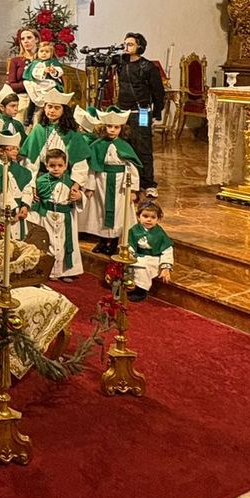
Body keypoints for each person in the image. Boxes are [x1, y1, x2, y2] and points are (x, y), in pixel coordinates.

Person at [84, 109, 143, 254]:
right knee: (100, 211)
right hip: (101, 182)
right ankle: (102, 242)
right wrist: (90, 186)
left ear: (121, 128)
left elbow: (131, 168)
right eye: (109, 126)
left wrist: (133, 189)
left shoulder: (124, 146)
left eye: (116, 127)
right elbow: (92, 167)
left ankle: (114, 242)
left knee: (118, 213)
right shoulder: (97, 145)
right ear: (104, 127)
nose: (112, 130)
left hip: (119, 184)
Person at [114, 32, 165, 195]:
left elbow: (158, 92)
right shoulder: (121, 64)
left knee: (143, 146)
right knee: (124, 144)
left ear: (140, 47)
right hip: (123, 111)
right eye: (125, 43)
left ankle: (149, 183)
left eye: (130, 44)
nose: (126, 47)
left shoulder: (148, 67)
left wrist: (157, 113)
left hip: (141, 111)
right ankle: (130, 180)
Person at [32, 147, 83, 280]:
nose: (56, 169)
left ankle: (64, 271)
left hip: (64, 218)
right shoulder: (41, 181)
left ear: (65, 166)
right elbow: (36, 197)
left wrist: (79, 197)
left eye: (60, 165)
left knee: (64, 243)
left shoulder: (71, 182)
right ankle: (49, 271)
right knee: (49, 243)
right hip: (47, 216)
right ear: (46, 166)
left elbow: (79, 198)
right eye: (52, 165)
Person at [0, 131, 33, 242]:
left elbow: (27, 189)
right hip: (3, 211)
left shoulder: (22, 171)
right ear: (0, 151)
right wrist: (12, 211)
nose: (16, 151)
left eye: (17, 149)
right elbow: (0, 194)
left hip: (20, 210)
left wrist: (25, 205)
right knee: (2, 241)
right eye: (12, 148)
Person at [127, 200, 173, 300]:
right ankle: (127, 285)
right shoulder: (134, 230)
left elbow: (167, 249)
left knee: (143, 267)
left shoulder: (159, 233)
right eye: (145, 216)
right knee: (129, 265)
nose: (149, 220)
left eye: (153, 217)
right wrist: (130, 253)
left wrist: (166, 267)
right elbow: (130, 244)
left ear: (158, 219)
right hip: (138, 255)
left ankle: (141, 290)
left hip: (153, 258)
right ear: (139, 217)